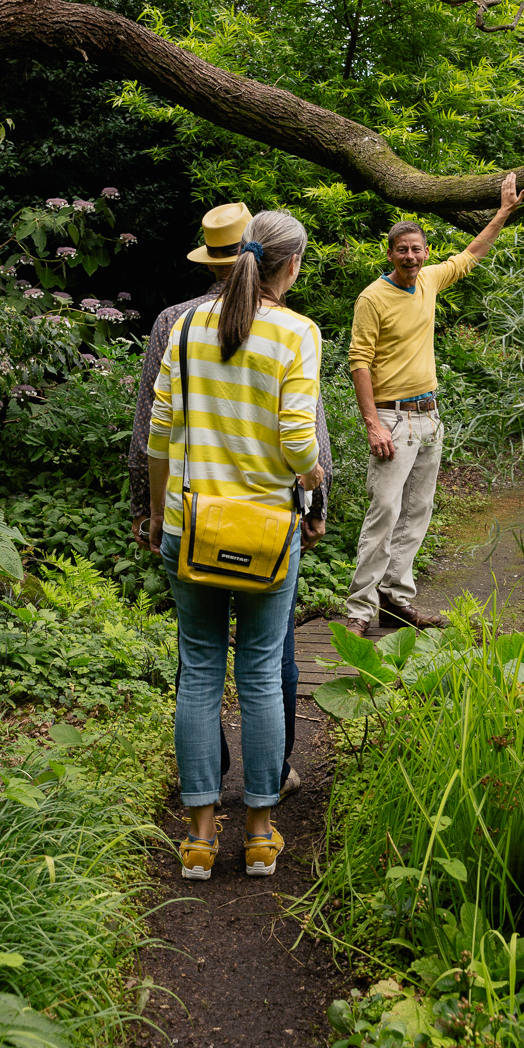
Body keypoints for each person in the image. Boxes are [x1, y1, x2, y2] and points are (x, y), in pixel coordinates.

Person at [129, 201, 332, 801]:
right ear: (291, 265)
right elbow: (302, 432)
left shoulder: (183, 324)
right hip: (265, 528)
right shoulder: (296, 331)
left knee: (198, 675)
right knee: (263, 676)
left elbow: (154, 432)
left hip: (190, 526)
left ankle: (197, 832)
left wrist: (159, 510)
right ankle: (261, 827)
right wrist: (314, 483)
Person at [345, 172, 524, 636]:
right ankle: (360, 610)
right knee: (384, 512)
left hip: (429, 419)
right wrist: (373, 424)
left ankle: (395, 599)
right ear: (390, 254)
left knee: (417, 513)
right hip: (392, 419)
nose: (410, 256)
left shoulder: (428, 281)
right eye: (402, 249)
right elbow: (359, 362)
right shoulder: (373, 297)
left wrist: (503, 213)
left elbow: (470, 255)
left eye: (417, 249)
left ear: (424, 252)